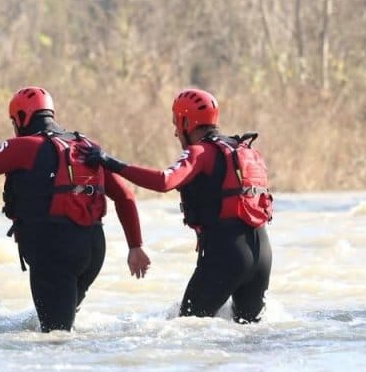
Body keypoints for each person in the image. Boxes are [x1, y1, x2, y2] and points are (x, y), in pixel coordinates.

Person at [0, 86, 151, 332]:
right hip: (93, 249)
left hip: (54, 250)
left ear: (20, 118)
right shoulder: (86, 145)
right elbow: (125, 195)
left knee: (55, 339)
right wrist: (135, 246)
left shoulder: (22, 146)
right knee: (61, 326)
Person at [80, 88, 272, 323]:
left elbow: (164, 181)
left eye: (176, 123)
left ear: (186, 122)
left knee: (188, 329)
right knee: (248, 336)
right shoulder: (244, 150)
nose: (175, 132)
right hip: (263, 254)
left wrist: (109, 162)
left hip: (227, 256)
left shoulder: (200, 152)